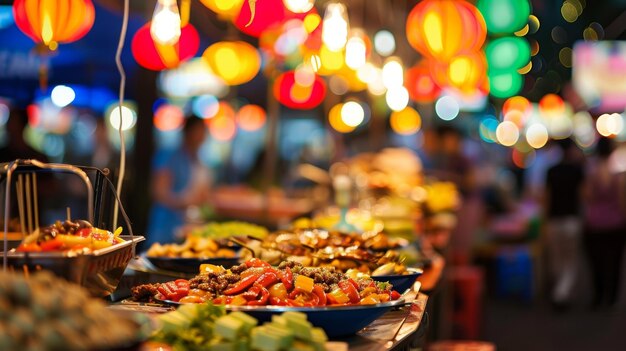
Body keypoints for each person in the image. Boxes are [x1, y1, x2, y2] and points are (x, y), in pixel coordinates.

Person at [145, 116, 212, 246]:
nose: (202, 136)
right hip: (165, 227)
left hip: (187, 227)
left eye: (204, 131)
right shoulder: (168, 155)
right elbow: (158, 192)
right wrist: (186, 201)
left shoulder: (198, 159)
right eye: (199, 130)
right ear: (188, 131)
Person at [583, 137, 626, 308]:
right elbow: (623, 202)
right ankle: (612, 298)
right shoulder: (619, 174)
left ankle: (598, 296)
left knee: (597, 263)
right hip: (616, 224)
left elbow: (587, 197)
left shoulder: (591, 172)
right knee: (615, 263)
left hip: (594, 223)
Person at [543, 138, 585, 309]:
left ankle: (560, 291)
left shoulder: (551, 171)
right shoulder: (578, 171)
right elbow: (584, 196)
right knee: (570, 260)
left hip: (554, 220)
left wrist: (545, 218)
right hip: (571, 219)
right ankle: (562, 293)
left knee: (557, 259)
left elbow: (547, 197)